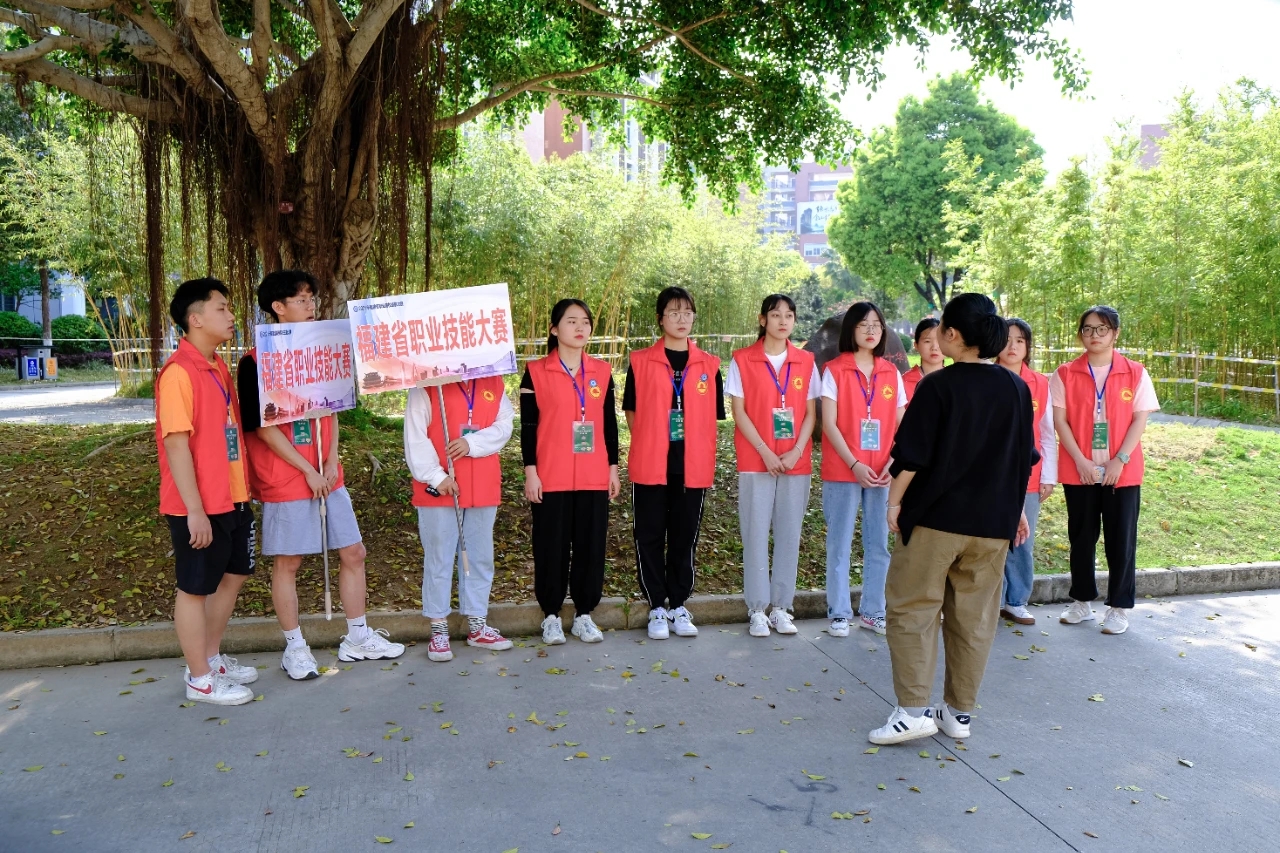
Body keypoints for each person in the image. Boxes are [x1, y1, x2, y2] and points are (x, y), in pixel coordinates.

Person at [869, 293, 1036, 745]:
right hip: (992, 525)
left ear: (953, 335)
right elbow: (1021, 458)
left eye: (942, 327)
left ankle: (913, 712)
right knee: (974, 620)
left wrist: (893, 504)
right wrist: (1017, 511)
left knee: (912, 609)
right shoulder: (1016, 388)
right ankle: (958, 713)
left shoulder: (937, 386)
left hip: (936, 521)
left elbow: (911, 457)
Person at [238, 270, 404, 680]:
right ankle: (294, 647)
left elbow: (332, 408)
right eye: (301, 299)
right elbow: (262, 427)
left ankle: (358, 636)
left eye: (312, 297)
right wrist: (307, 470)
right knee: (289, 561)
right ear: (278, 308)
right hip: (286, 476)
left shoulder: (322, 347)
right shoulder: (254, 361)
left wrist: (330, 462)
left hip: (328, 475)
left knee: (354, 552)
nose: (311, 305)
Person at [157, 278, 258, 706]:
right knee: (194, 588)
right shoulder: (179, 372)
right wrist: (194, 510)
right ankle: (199, 679)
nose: (232, 316)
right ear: (195, 319)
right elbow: (176, 445)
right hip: (198, 503)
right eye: (222, 308)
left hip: (232, 496)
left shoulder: (216, 366)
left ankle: (211, 658)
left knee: (233, 575)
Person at [623, 286, 726, 640]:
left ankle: (679, 604)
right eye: (673, 313)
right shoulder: (640, 361)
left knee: (684, 539)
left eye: (687, 312)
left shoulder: (709, 365)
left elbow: (712, 417)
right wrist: (650, 443)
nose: (682, 319)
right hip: (651, 465)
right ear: (660, 319)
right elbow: (631, 413)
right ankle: (656, 605)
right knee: (649, 536)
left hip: (692, 467)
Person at [1052, 306, 1159, 636]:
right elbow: (1060, 421)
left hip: (1121, 472)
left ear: (1115, 333)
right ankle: (1081, 602)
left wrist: (1120, 459)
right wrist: (1081, 461)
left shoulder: (1135, 372)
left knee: (1120, 540)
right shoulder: (1065, 374)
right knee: (1081, 537)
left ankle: (1118, 608)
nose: (1094, 335)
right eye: (1088, 329)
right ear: (1080, 334)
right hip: (1079, 470)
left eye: (1102, 329)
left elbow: (1140, 419)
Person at [521, 299, 621, 645]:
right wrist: (531, 471)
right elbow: (529, 427)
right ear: (554, 329)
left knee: (591, 546)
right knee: (551, 546)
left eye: (586, 322)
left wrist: (613, 468)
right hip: (551, 474)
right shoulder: (536, 371)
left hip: (594, 473)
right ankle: (550, 615)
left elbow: (609, 425)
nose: (580, 328)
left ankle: (583, 615)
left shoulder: (602, 372)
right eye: (571, 321)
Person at [726, 294, 819, 638]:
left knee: (789, 534)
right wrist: (765, 451)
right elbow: (739, 413)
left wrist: (796, 451)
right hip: (756, 460)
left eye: (789, 315)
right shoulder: (742, 359)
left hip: (796, 461)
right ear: (763, 319)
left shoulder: (806, 361)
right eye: (776, 315)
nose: (783, 321)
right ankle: (756, 609)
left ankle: (781, 607)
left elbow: (810, 414)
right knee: (754, 533)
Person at [404, 372, 515, 662]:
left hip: (483, 483)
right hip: (442, 485)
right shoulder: (427, 385)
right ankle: (438, 629)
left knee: (479, 557)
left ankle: (477, 624)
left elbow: (505, 424)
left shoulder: (493, 381)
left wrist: (472, 443)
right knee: (439, 557)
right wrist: (435, 476)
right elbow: (415, 436)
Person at [821, 302, 906, 638]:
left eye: (877, 325)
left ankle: (873, 611)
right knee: (839, 543)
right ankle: (839, 613)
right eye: (863, 325)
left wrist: (892, 462)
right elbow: (829, 423)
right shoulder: (834, 370)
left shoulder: (891, 373)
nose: (871, 331)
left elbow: (903, 425)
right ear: (851, 330)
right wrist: (854, 463)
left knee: (878, 544)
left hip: (882, 471)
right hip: (844, 469)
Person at [996, 318, 1057, 626]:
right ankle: (993, 599)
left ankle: (1017, 600)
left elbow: (1046, 433)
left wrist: (1049, 476)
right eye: (1007, 339)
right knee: (992, 538)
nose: (1013, 346)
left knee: (1022, 539)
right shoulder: (987, 377)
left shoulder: (1040, 383)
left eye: (1020, 340)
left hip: (1028, 475)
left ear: (1028, 347)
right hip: (991, 475)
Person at [901, 317, 944, 402]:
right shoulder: (904, 382)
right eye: (927, 341)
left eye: (940, 341)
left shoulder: (955, 380)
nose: (934, 347)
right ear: (916, 345)